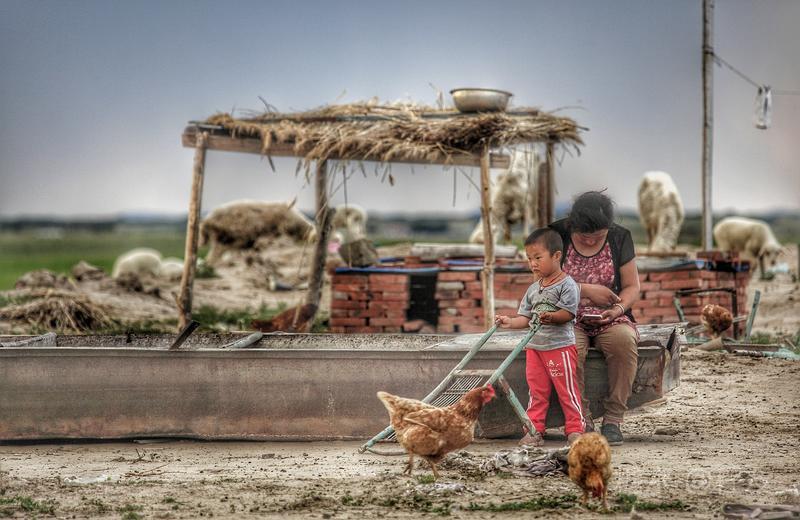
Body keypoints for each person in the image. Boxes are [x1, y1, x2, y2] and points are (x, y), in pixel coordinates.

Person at [549, 191, 641, 445]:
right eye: (583, 237)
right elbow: (542, 283)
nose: (590, 242)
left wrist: (618, 309)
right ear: (572, 225)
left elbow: (632, 286)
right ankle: (581, 418)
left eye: (598, 237)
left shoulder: (620, 237)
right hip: (566, 315)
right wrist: (585, 290)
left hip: (610, 315)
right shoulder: (555, 236)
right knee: (569, 349)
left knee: (624, 342)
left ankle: (613, 419)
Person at [495, 228, 585, 446]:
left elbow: (568, 314)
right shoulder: (533, 289)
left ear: (556, 256)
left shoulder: (567, 285)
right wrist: (509, 322)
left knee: (567, 391)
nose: (533, 263)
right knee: (536, 392)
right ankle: (534, 429)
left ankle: (575, 429)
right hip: (534, 348)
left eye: (538, 257)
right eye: (529, 259)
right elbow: (524, 318)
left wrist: (552, 317)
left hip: (559, 347)